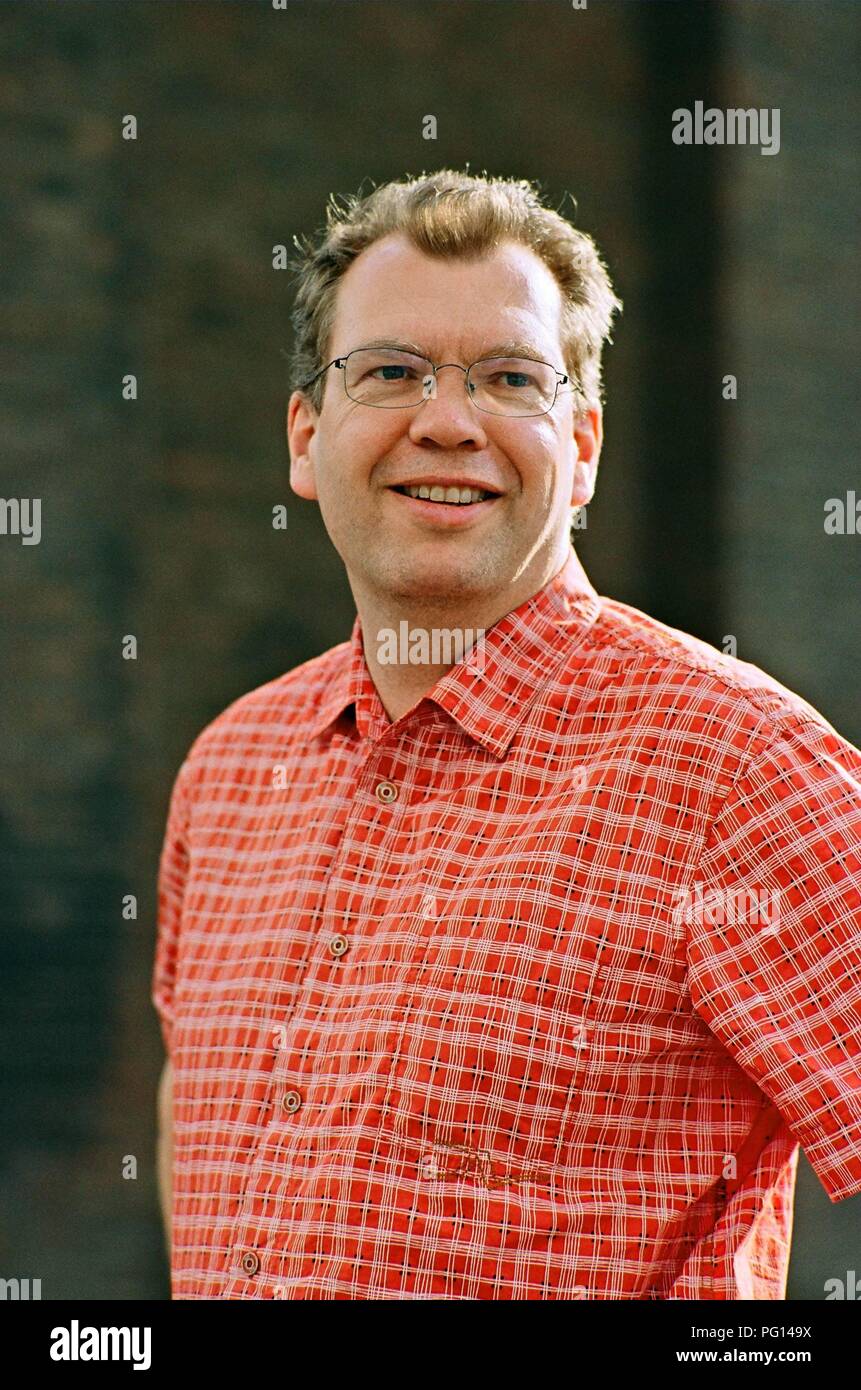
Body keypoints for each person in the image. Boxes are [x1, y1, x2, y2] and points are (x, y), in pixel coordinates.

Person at [152, 168, 861, 1300]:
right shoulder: (232, 771)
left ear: (580, 448)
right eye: (388, 372)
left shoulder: (735, 769)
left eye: (509, 379)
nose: (446, 420)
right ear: (304, 435)